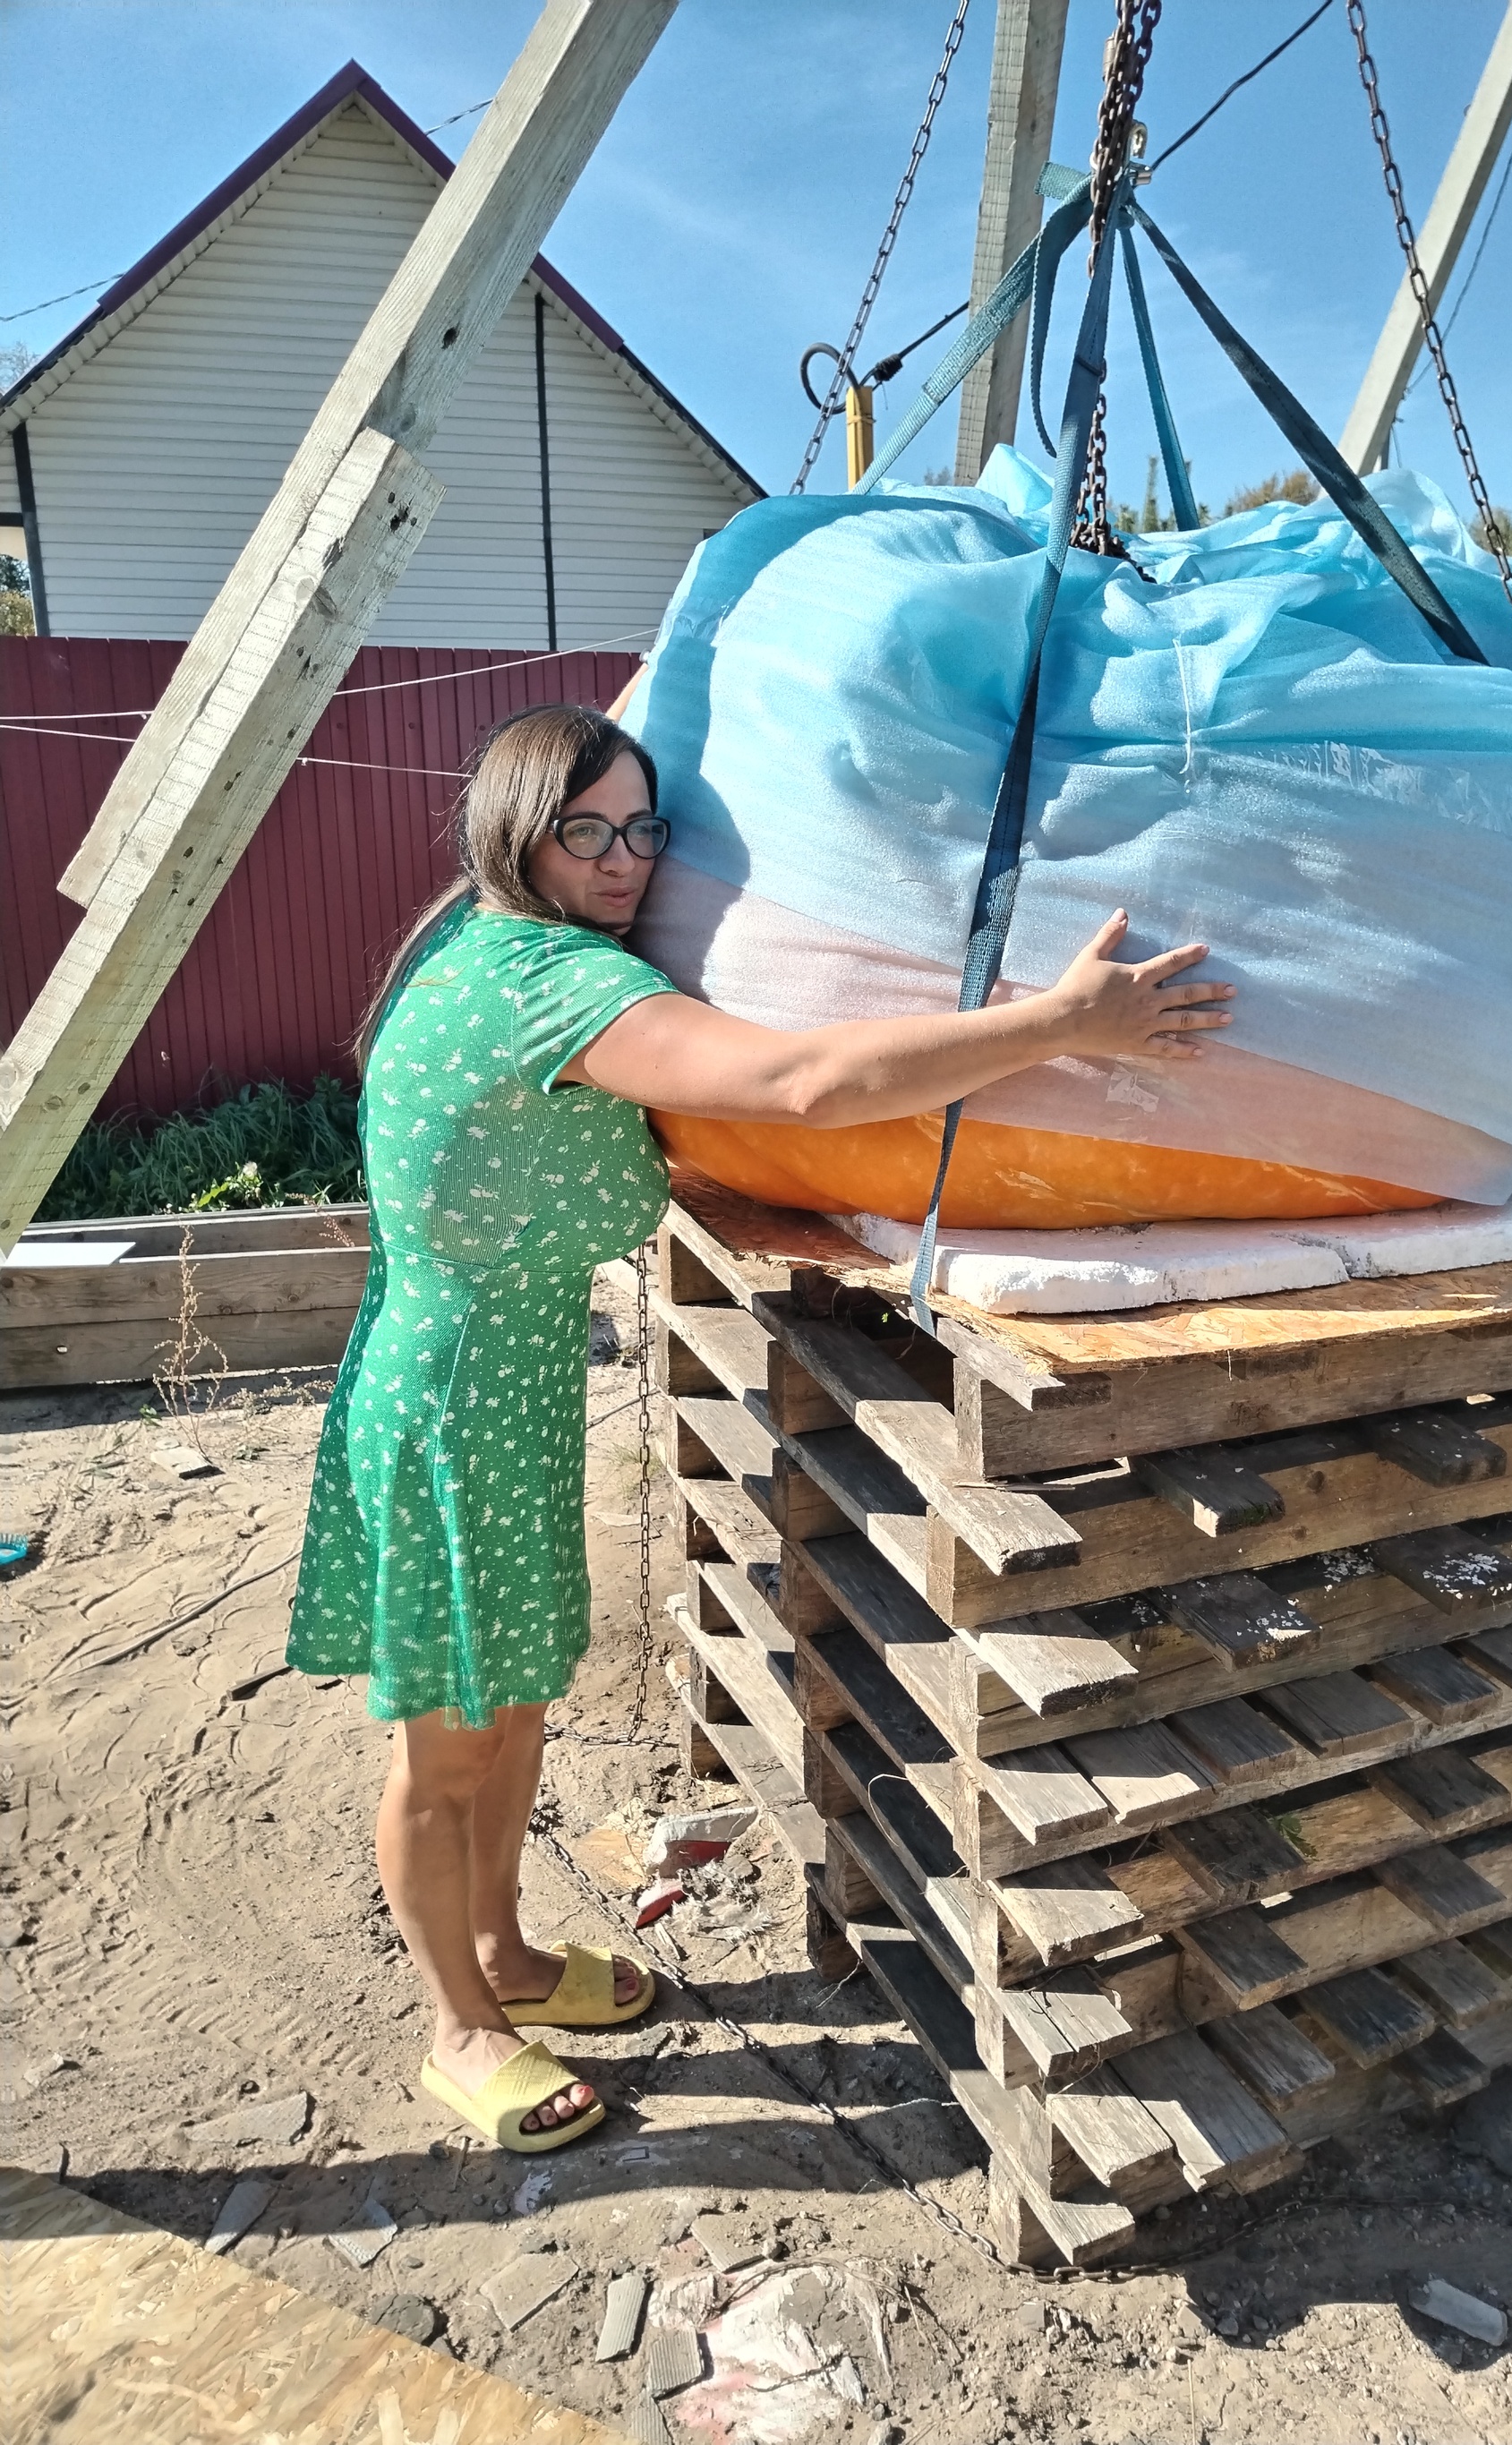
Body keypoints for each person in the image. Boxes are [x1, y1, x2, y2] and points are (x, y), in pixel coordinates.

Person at [286, 703, 1234, 2153]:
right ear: (512, 834)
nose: (622, 860)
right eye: (584, 829)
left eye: (640, 828)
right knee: (447, 1742)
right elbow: (805, 1082)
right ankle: (460, 2027)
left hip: (503, 1377)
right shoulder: (546, 983)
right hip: (453, 1402)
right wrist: (1066, 1023)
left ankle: (510, 1956)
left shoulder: (505, 948)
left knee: (518, 1703)